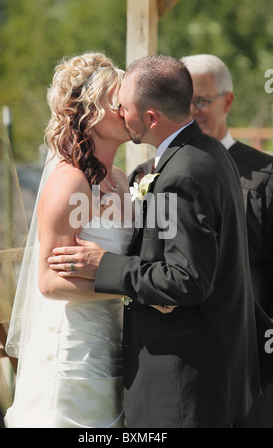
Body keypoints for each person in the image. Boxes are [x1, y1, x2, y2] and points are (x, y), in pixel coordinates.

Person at [47, 55, 273, 428]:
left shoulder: (179, 174)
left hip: (182, 382)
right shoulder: (207, 153)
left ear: (150, 118)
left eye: (125, 107)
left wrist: (104, 264)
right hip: (196, 371)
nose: (121, 114)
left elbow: (186, 279)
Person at [4, 52, 134, 428]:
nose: (129, 110)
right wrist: (137, 287)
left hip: (115, 344)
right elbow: (50, 282)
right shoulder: (71, 180)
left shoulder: (121, 180)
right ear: (90, 112)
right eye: (118, 102)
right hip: (74, 350)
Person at [180, 53, 273, 427]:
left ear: (227, 101)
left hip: (252, 354)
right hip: (187, 358)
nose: (191, 110)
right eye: (183, 101)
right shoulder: (158, 173)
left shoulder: (264, 176)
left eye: (200, 100)